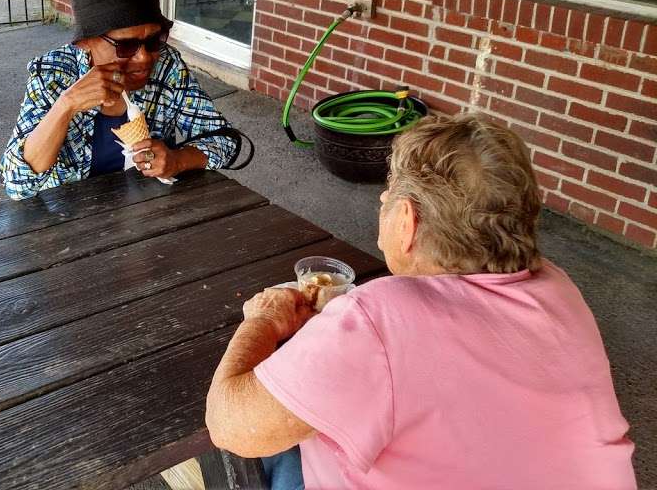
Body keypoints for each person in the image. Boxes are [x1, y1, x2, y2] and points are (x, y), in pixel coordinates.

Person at [206, 115, 636, 489]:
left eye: (389, 194)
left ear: (407, 222)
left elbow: (230, 427)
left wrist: (263, 320)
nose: (382, 202)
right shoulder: (558, 286)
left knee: (271, 449)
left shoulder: (380, 319)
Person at [0, 0, 239, 200]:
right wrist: (66, 105)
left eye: (154, 40)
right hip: (69, 214)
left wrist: (178, 160)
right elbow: (17, 185)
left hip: (151, 207)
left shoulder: (167, 66)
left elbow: (225, 139)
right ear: (85, 42)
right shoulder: (53, 74)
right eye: (126, 45)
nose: (144, 57)